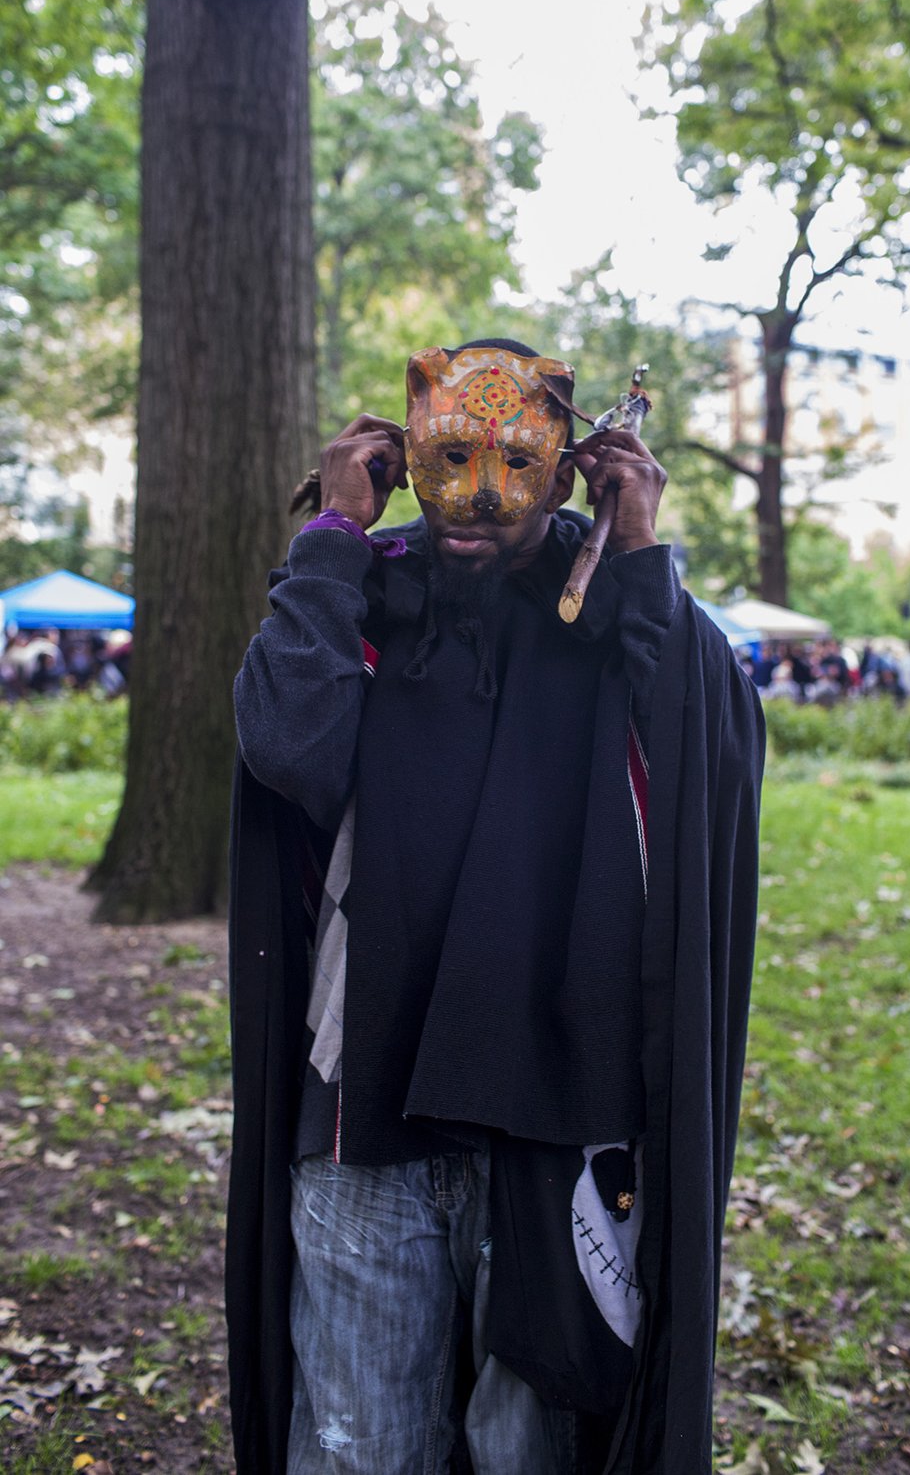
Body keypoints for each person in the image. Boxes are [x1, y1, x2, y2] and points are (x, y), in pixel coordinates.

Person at [226, 339, 765, 1475]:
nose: (476, 494)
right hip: (362, 1115)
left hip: (556, 1123)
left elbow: (697, 752)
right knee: (357, 1444)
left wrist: (640, 555)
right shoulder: (358, 589)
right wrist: (328, 536)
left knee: (530, 1448)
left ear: (570, 463)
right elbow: (284, 742)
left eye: (515, 461)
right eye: (448, 455)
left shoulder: (620, 607)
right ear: (398, 449)